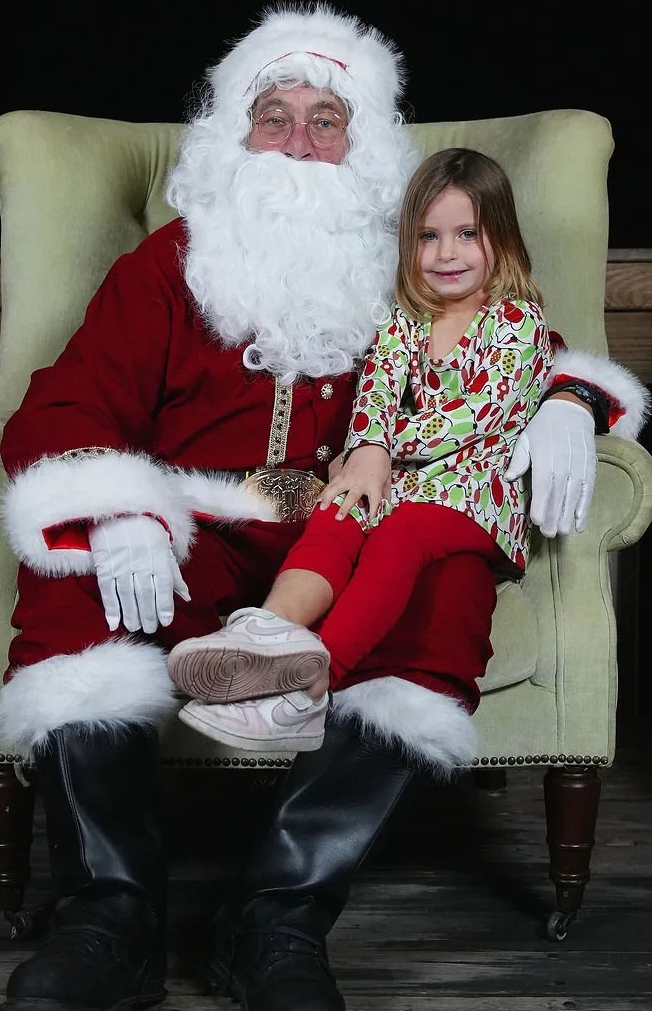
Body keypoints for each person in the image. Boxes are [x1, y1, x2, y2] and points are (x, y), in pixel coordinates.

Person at [0, 2, 649, 1011]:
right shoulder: (168, 264)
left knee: (442, 588)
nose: (297, 141)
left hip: (352, 525)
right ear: (233, 136)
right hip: (200, 520)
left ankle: (280, 920)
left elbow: (531, 345)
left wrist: (572, 403)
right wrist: (120, 507)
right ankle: (109, 921)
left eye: (326, 119)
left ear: (365, 147)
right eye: (274, 115)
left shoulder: (407, 269)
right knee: (74, 586)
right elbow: (67, 400)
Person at [170, 147, 554, 753]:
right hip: (399, 480)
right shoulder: (406, 317)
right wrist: (367, 445)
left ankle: (313, 686)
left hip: (474, 496)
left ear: (500, 238)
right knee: (339, 507)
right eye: (428, 236)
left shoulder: (516, 324)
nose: (446, 254)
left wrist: (381, 452)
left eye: (466, 234)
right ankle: (268, 634)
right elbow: (374, 389)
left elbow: (467, 420)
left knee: (400, 534)